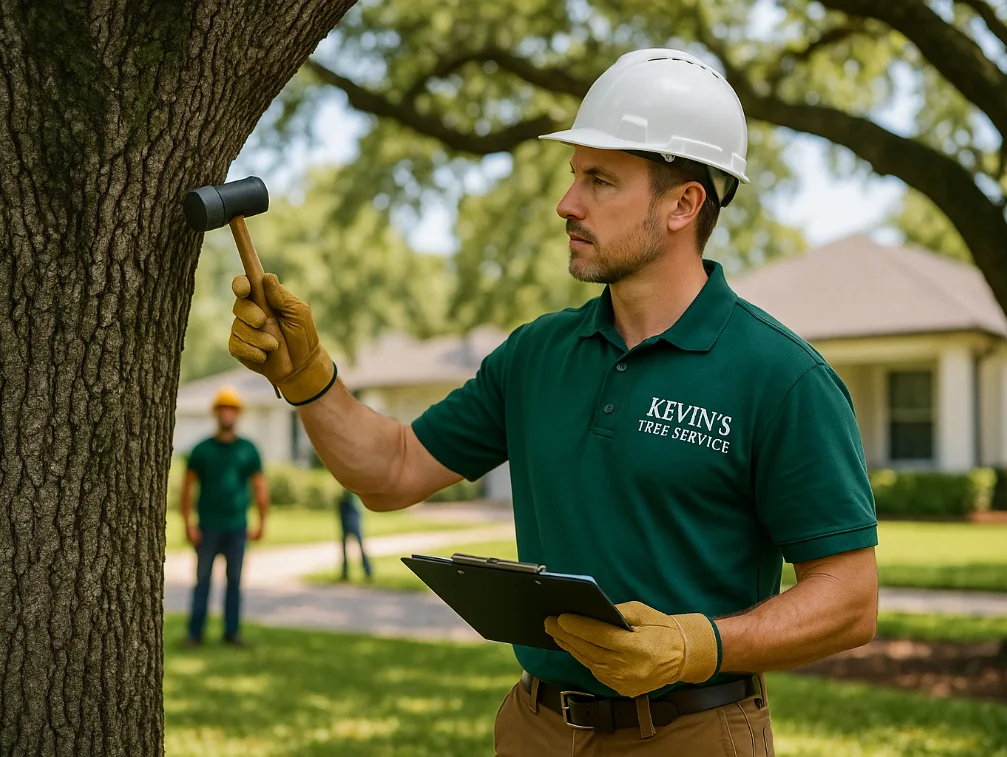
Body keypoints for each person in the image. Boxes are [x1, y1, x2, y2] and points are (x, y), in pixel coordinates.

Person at [226, 48, 879, 754]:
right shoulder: (537, 355)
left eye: (601, 180)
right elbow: (393, 468)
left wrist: (697, 643)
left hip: (691, 731)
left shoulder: (781, 377)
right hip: (535, 728)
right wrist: (309, 379)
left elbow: (849, 598)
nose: (567, 203)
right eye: (575, 176)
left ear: (684, 204)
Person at [179, 385, 269, 648]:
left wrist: (262, 522)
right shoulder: (201, 450)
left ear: (238, 414)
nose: (227, 414)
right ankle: (195, 634)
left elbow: (260, 488)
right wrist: (188, 524)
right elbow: (187, 490)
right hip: (207, 527)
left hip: (237, 527)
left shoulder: (248, 450)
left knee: (234, 582)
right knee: (202, 581)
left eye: (232, 409)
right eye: (222, 409)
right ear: (215, 413)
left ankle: (232, 633)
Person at [338, 489, 373, 580]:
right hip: (351, 515)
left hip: (351, 515)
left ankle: (366, 571)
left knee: (355, 547)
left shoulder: (351, 493)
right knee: (354, 547)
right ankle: (366, 571)